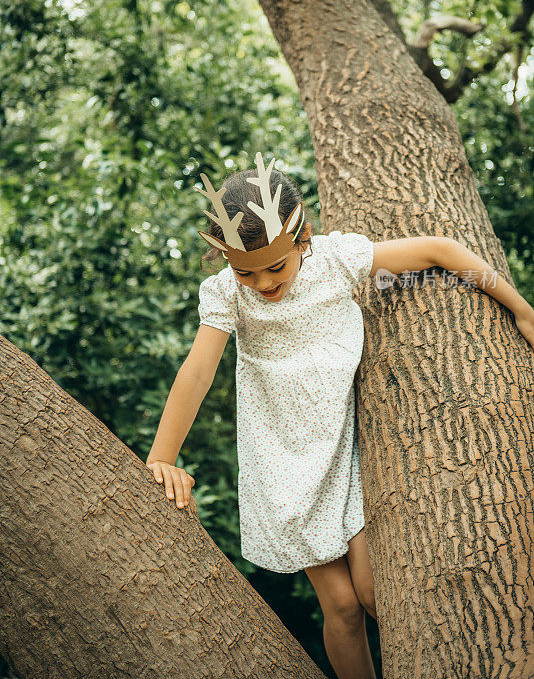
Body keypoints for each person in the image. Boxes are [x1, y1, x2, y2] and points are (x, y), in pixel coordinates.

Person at [146, 152, 534, 679]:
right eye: (247, 272)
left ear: (302, 239)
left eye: (275, 266)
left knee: (377, 593)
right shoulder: (225, 295)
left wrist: (521, 307)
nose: (263, 283)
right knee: (344, 608)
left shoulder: (336, 260)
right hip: (283, 461)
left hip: (347, 443)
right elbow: (197, 371)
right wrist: (162, 456)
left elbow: (443, 252)